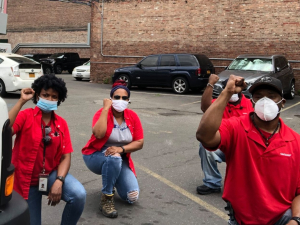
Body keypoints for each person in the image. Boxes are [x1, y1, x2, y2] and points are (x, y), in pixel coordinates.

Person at [196, 75, 300, 225]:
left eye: (271, 97)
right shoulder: (236, 127)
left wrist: (296, 219)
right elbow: (204, 136)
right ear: (252, 102)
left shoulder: (295, 141)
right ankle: (212, 182)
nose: (265, 102)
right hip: (241, 220)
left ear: (282, 103)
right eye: (258, 97)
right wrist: (227, 92)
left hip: (282, 220)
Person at [8, 74, 86, 225]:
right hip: (26, 180)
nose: (49, 99)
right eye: (45, 95)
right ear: (37, 95)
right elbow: (6, 129)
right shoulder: (25, 116)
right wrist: (21, 101)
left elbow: (65, 156)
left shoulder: (61, 124)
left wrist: (59, 180)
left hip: (50, 175)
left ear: (59, 99)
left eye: (54, 96)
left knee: (78, 195)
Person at [82, 80, 144, 218]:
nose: (120, 100)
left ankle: (111, 176)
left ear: (128, 100)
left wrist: (121, 149)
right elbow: (98, 134)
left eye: (124, 98)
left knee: (132, 196)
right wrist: (105, 109)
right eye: (116, 97)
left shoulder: (132, 116)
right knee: (113, 158)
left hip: (119, 157)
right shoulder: (102, 113)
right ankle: (107, 198)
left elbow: (139, 142)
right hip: (95, 156)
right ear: (110, 99)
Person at [197, 74, 253, 195]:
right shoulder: (220, 103)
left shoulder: (249, 104)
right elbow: (205, 107)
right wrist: (210, 84)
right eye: (230, 89)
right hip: (223, 145)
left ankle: (248, 184)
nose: (233, 92)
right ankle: (212, 183)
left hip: (242, 148)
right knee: (205, 147)